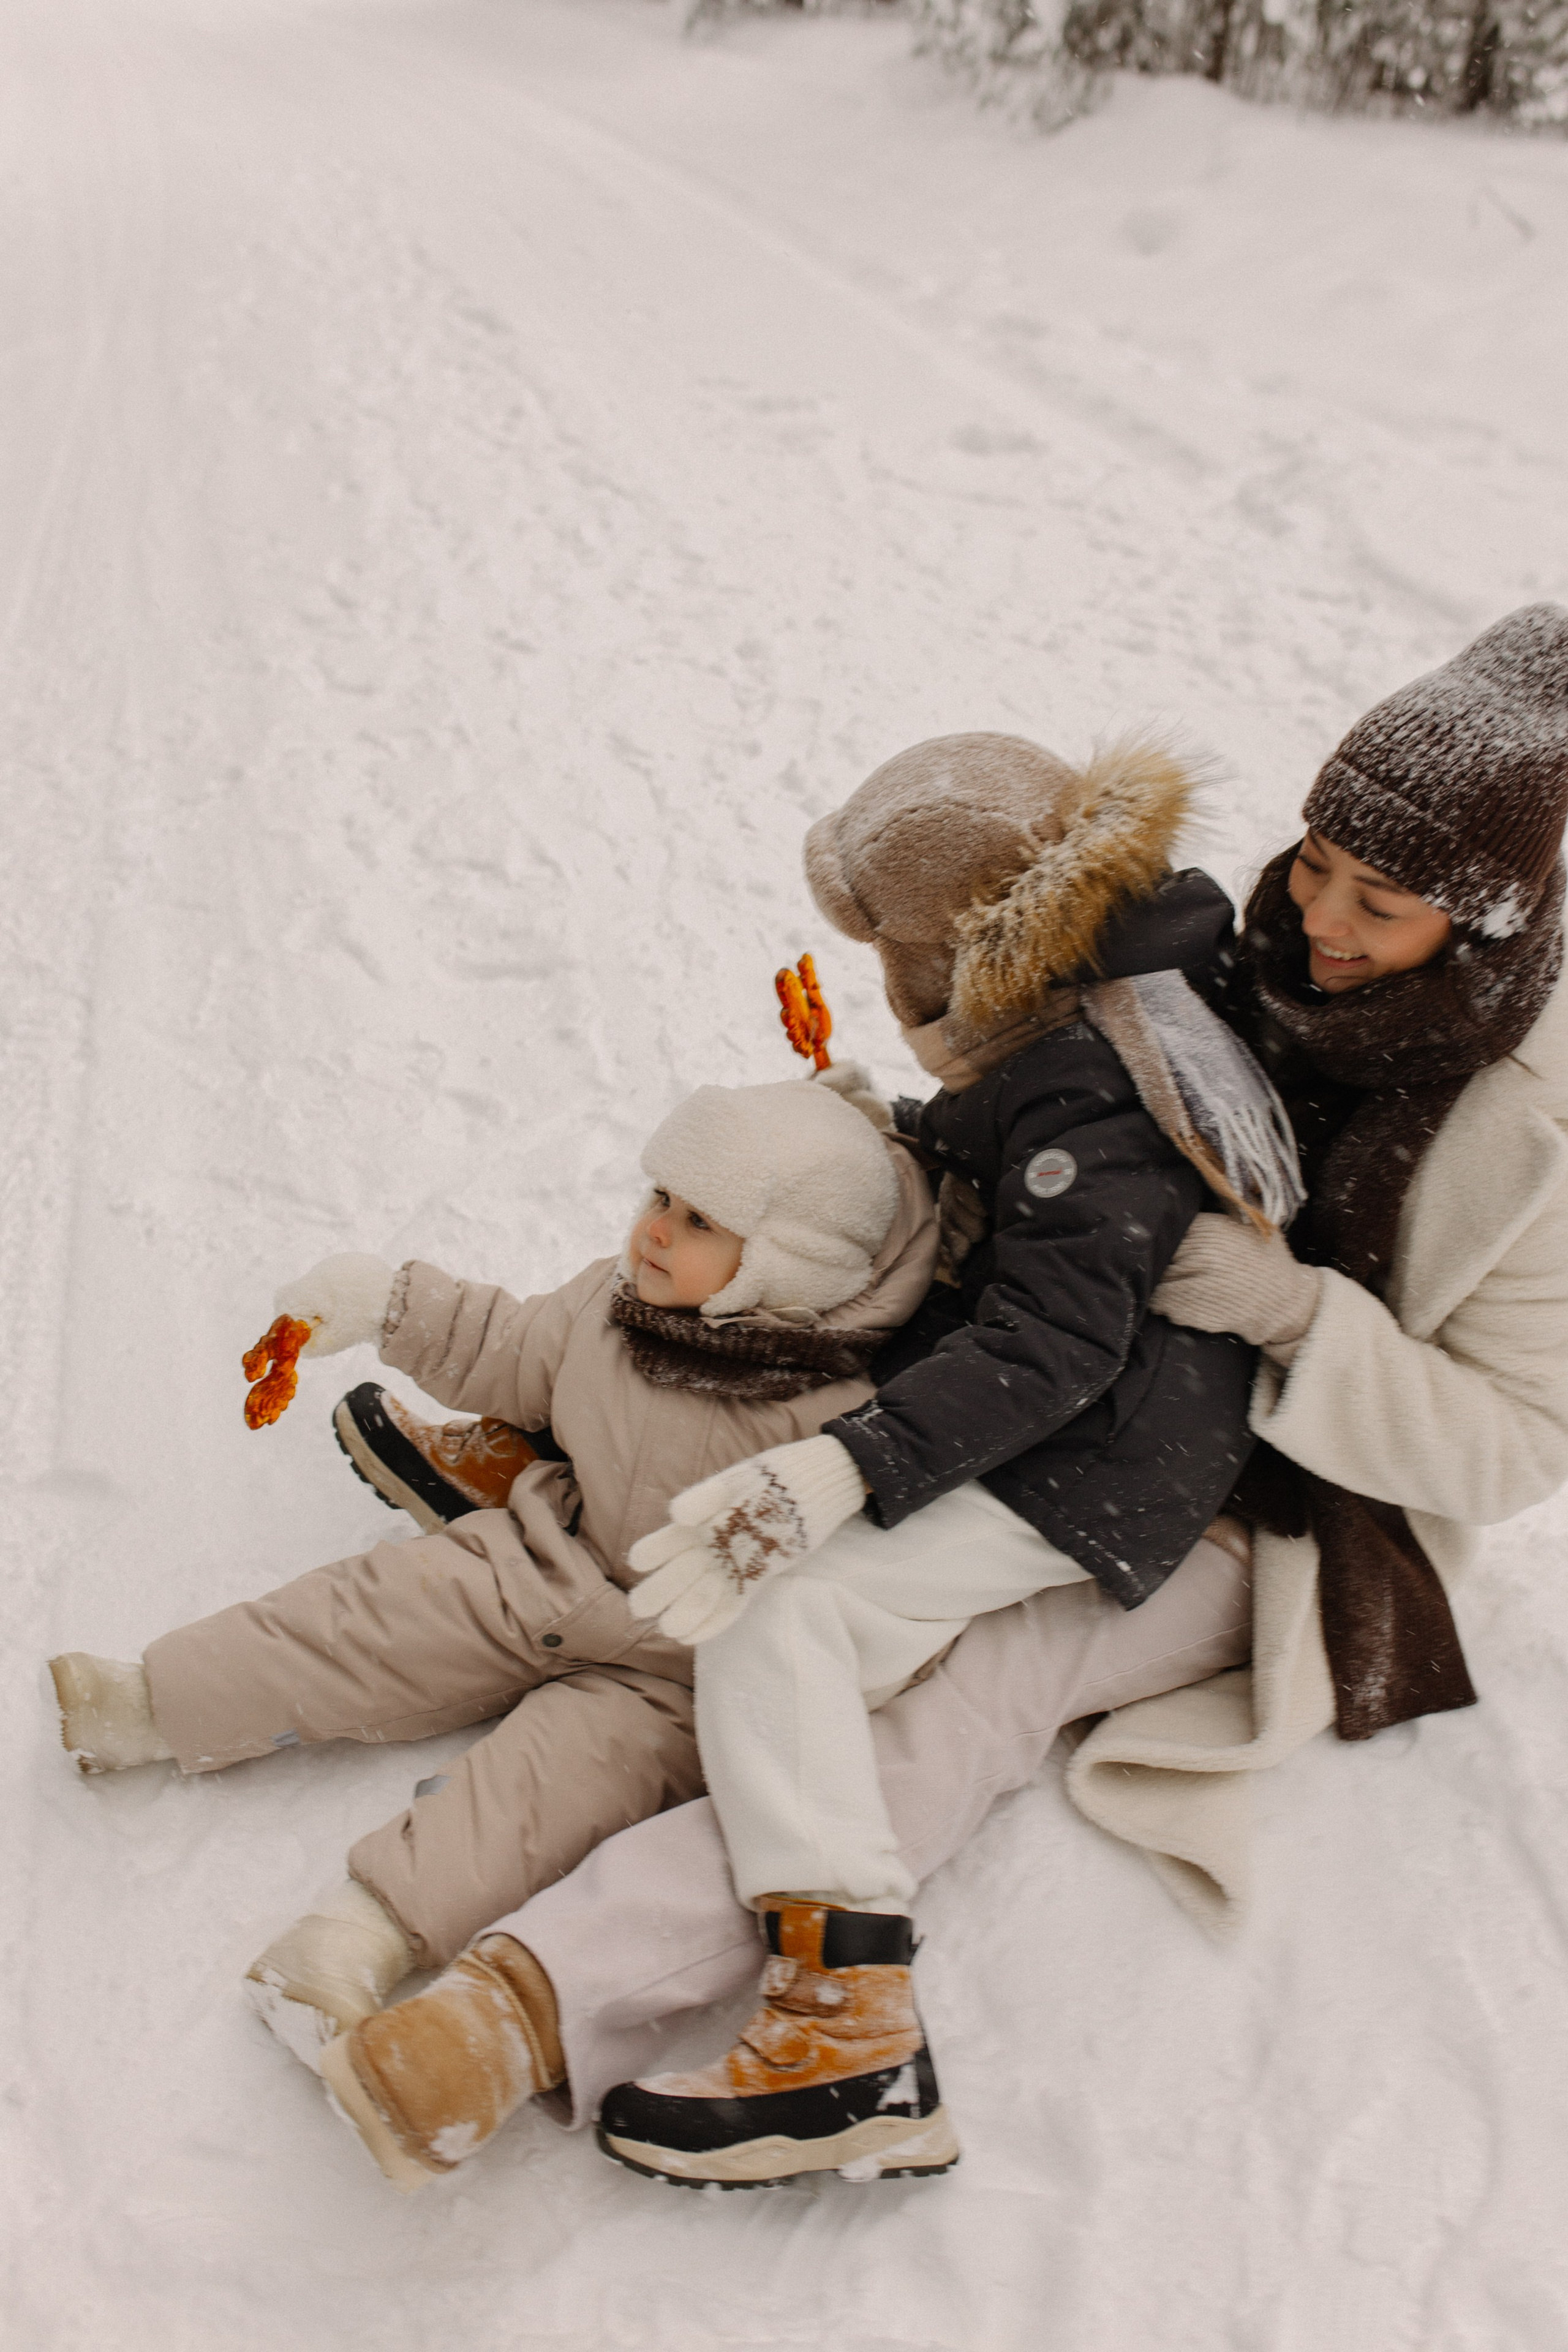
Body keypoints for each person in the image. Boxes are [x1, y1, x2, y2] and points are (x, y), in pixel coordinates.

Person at [309, 605, 1568, 2198]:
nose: (1315, 912)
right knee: (792, 1215)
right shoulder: (1243, 950)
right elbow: (1086, 1114)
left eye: (1374, 905)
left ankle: (556, 2001)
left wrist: (1295, 1317)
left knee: (923, 1679)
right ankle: (583, 1425)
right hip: (1072, 1354)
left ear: (1487, 920)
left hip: (1251, 1496)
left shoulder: (1534, 1130)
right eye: (1313, 860)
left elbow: (1521, 1445)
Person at [47, 1079, 937, 2064]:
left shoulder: (844, 1417)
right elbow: (505, 1348)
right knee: (373, 1615)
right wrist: (387, 1306)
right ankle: (148, 1704)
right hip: (549, 1552)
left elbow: (876, 1575)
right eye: (659, 1199)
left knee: (536, 1800)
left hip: (676, 1668)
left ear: (782, 1265)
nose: (655, 1233)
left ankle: (351, 1941)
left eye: (697, 1222)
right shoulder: (613, 1306)